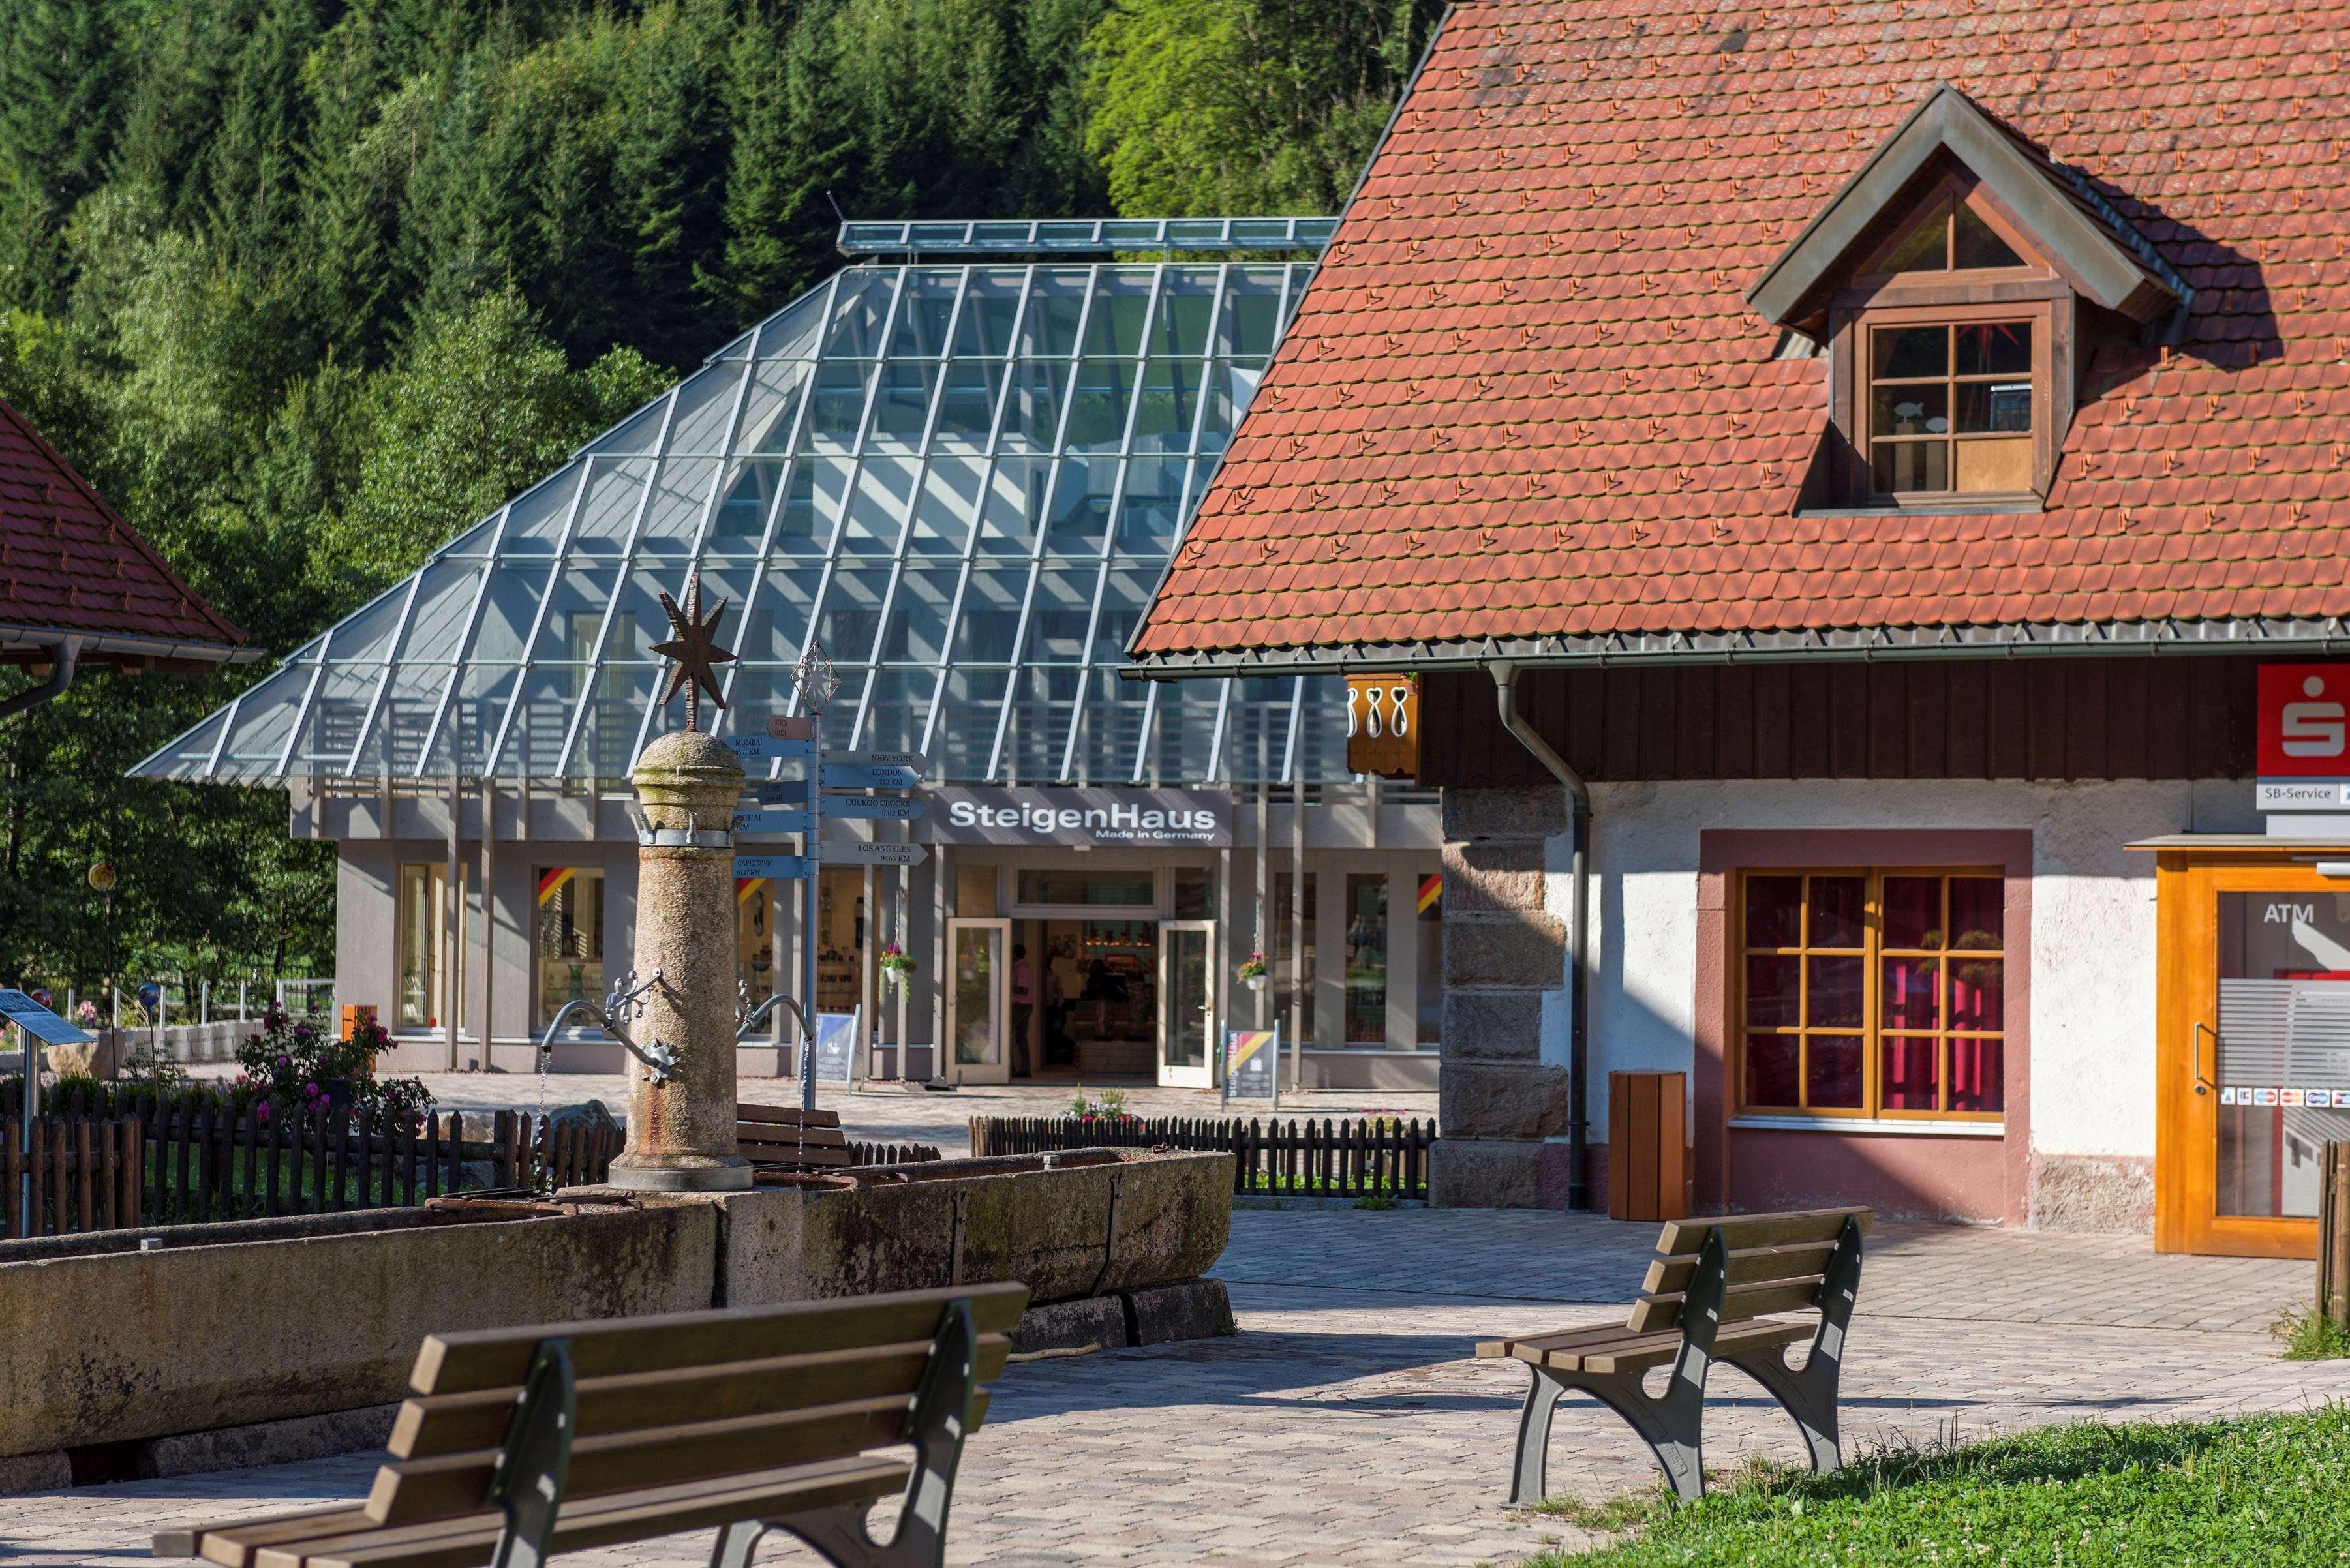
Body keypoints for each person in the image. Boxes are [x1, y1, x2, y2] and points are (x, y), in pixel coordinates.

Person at [1010, 943, 1034, 1078]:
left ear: (1015, 955)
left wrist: (1007, 986)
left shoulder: (1022, 968)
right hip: (1024, 1005)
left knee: (1004, 1036)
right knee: (1021, 1038)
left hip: (1021, 1005)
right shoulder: (1020, 967)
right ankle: (1025, 1069)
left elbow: (1023, 990)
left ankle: (1010, 1068)